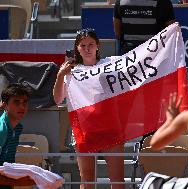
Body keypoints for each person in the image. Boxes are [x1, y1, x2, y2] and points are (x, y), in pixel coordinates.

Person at [53, 28, 124, 189]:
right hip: (84, 130)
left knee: (117, 180)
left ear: (98, 46)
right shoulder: (70, 72)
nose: (87, 48)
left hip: (110, 127)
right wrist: (60, 75)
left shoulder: (111, 64)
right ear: (77, 48)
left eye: (91, 44)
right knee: (87, 179)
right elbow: (57, 99)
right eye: (83, 45)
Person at [0, 83, 35, 188]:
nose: (22, 106)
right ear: (4, 105)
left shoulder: (18, 128)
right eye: (16, 102)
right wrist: (19, 182)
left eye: (25, 102)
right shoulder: (1, 130)